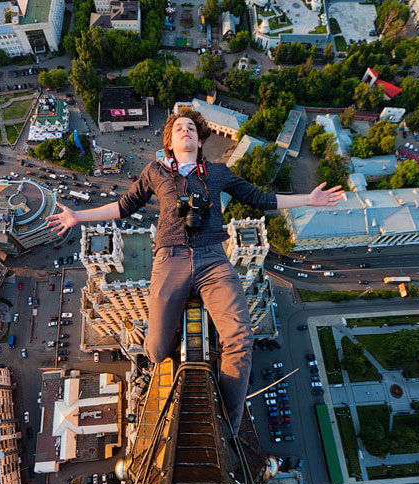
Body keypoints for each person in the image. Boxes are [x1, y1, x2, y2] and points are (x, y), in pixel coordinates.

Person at [46, 108, 344, 434]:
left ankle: (227, 425)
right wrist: (77, 216)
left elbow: (262, 199)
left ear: (200, 140)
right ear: (170, 143)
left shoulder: (217, 172)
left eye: (190, 128)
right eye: (178, 129)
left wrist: (310, 200)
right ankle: (171, 348)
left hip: (213, 260)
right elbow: (123, 207)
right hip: (169, 259)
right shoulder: (156, 171)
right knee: (156, 349)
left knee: (241, 338)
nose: (184, 131)